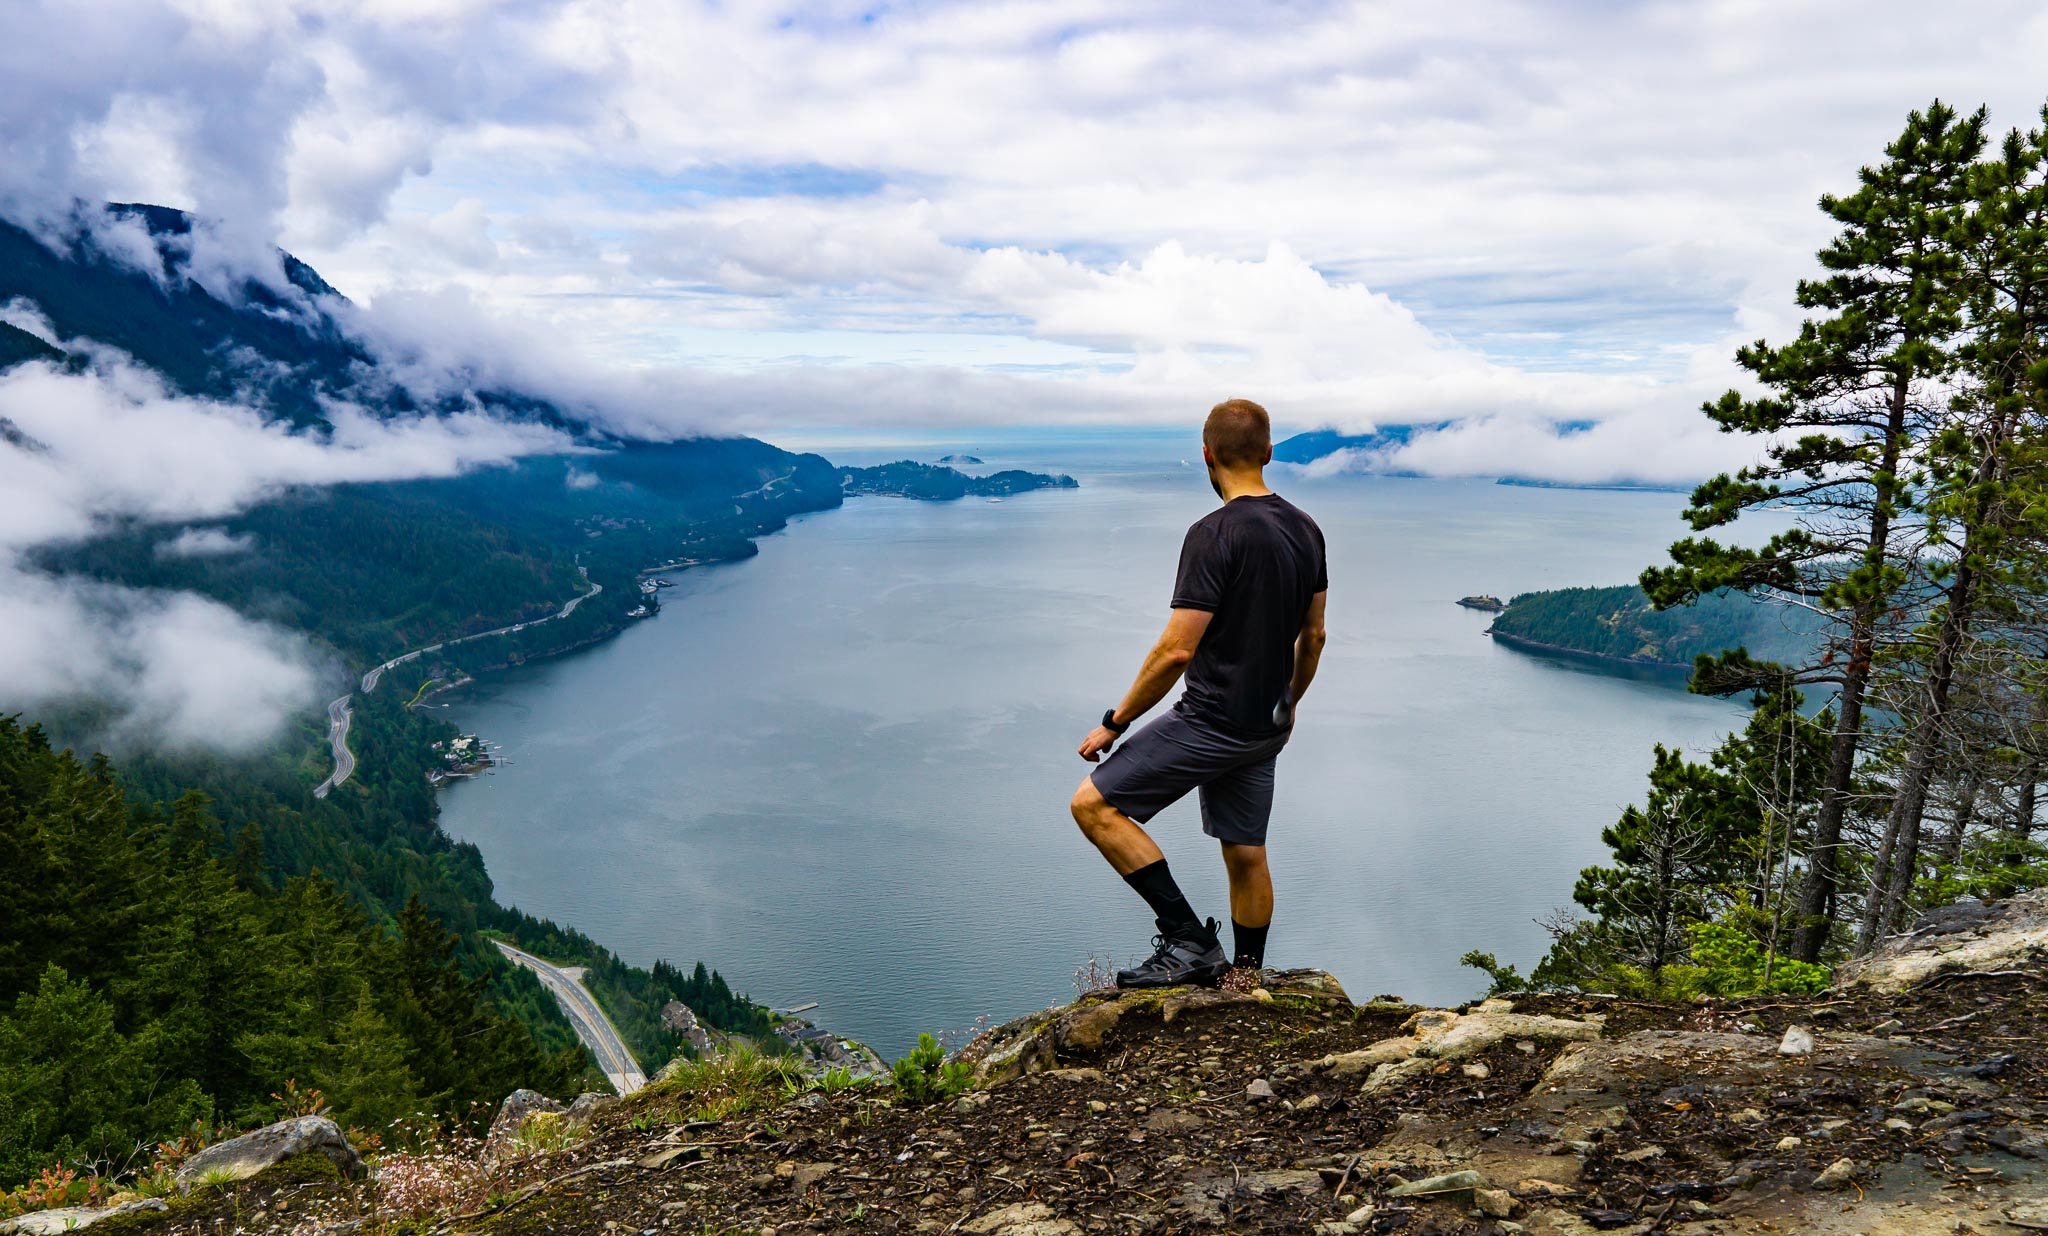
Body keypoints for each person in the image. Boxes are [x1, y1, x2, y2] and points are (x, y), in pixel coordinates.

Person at [1071, 398, 1328, 988]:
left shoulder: (1213, 534)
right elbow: (1313, 637)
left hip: (1212, 721)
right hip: (1267, 727)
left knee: (1093, 805)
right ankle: (1246, 977)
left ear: (1206, 455)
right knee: (1245, 850)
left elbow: (1176, 650)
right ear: (1268, 452)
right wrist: (1287, 704)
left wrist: (1116, 721)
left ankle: (1189, 942)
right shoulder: (1305, 528)